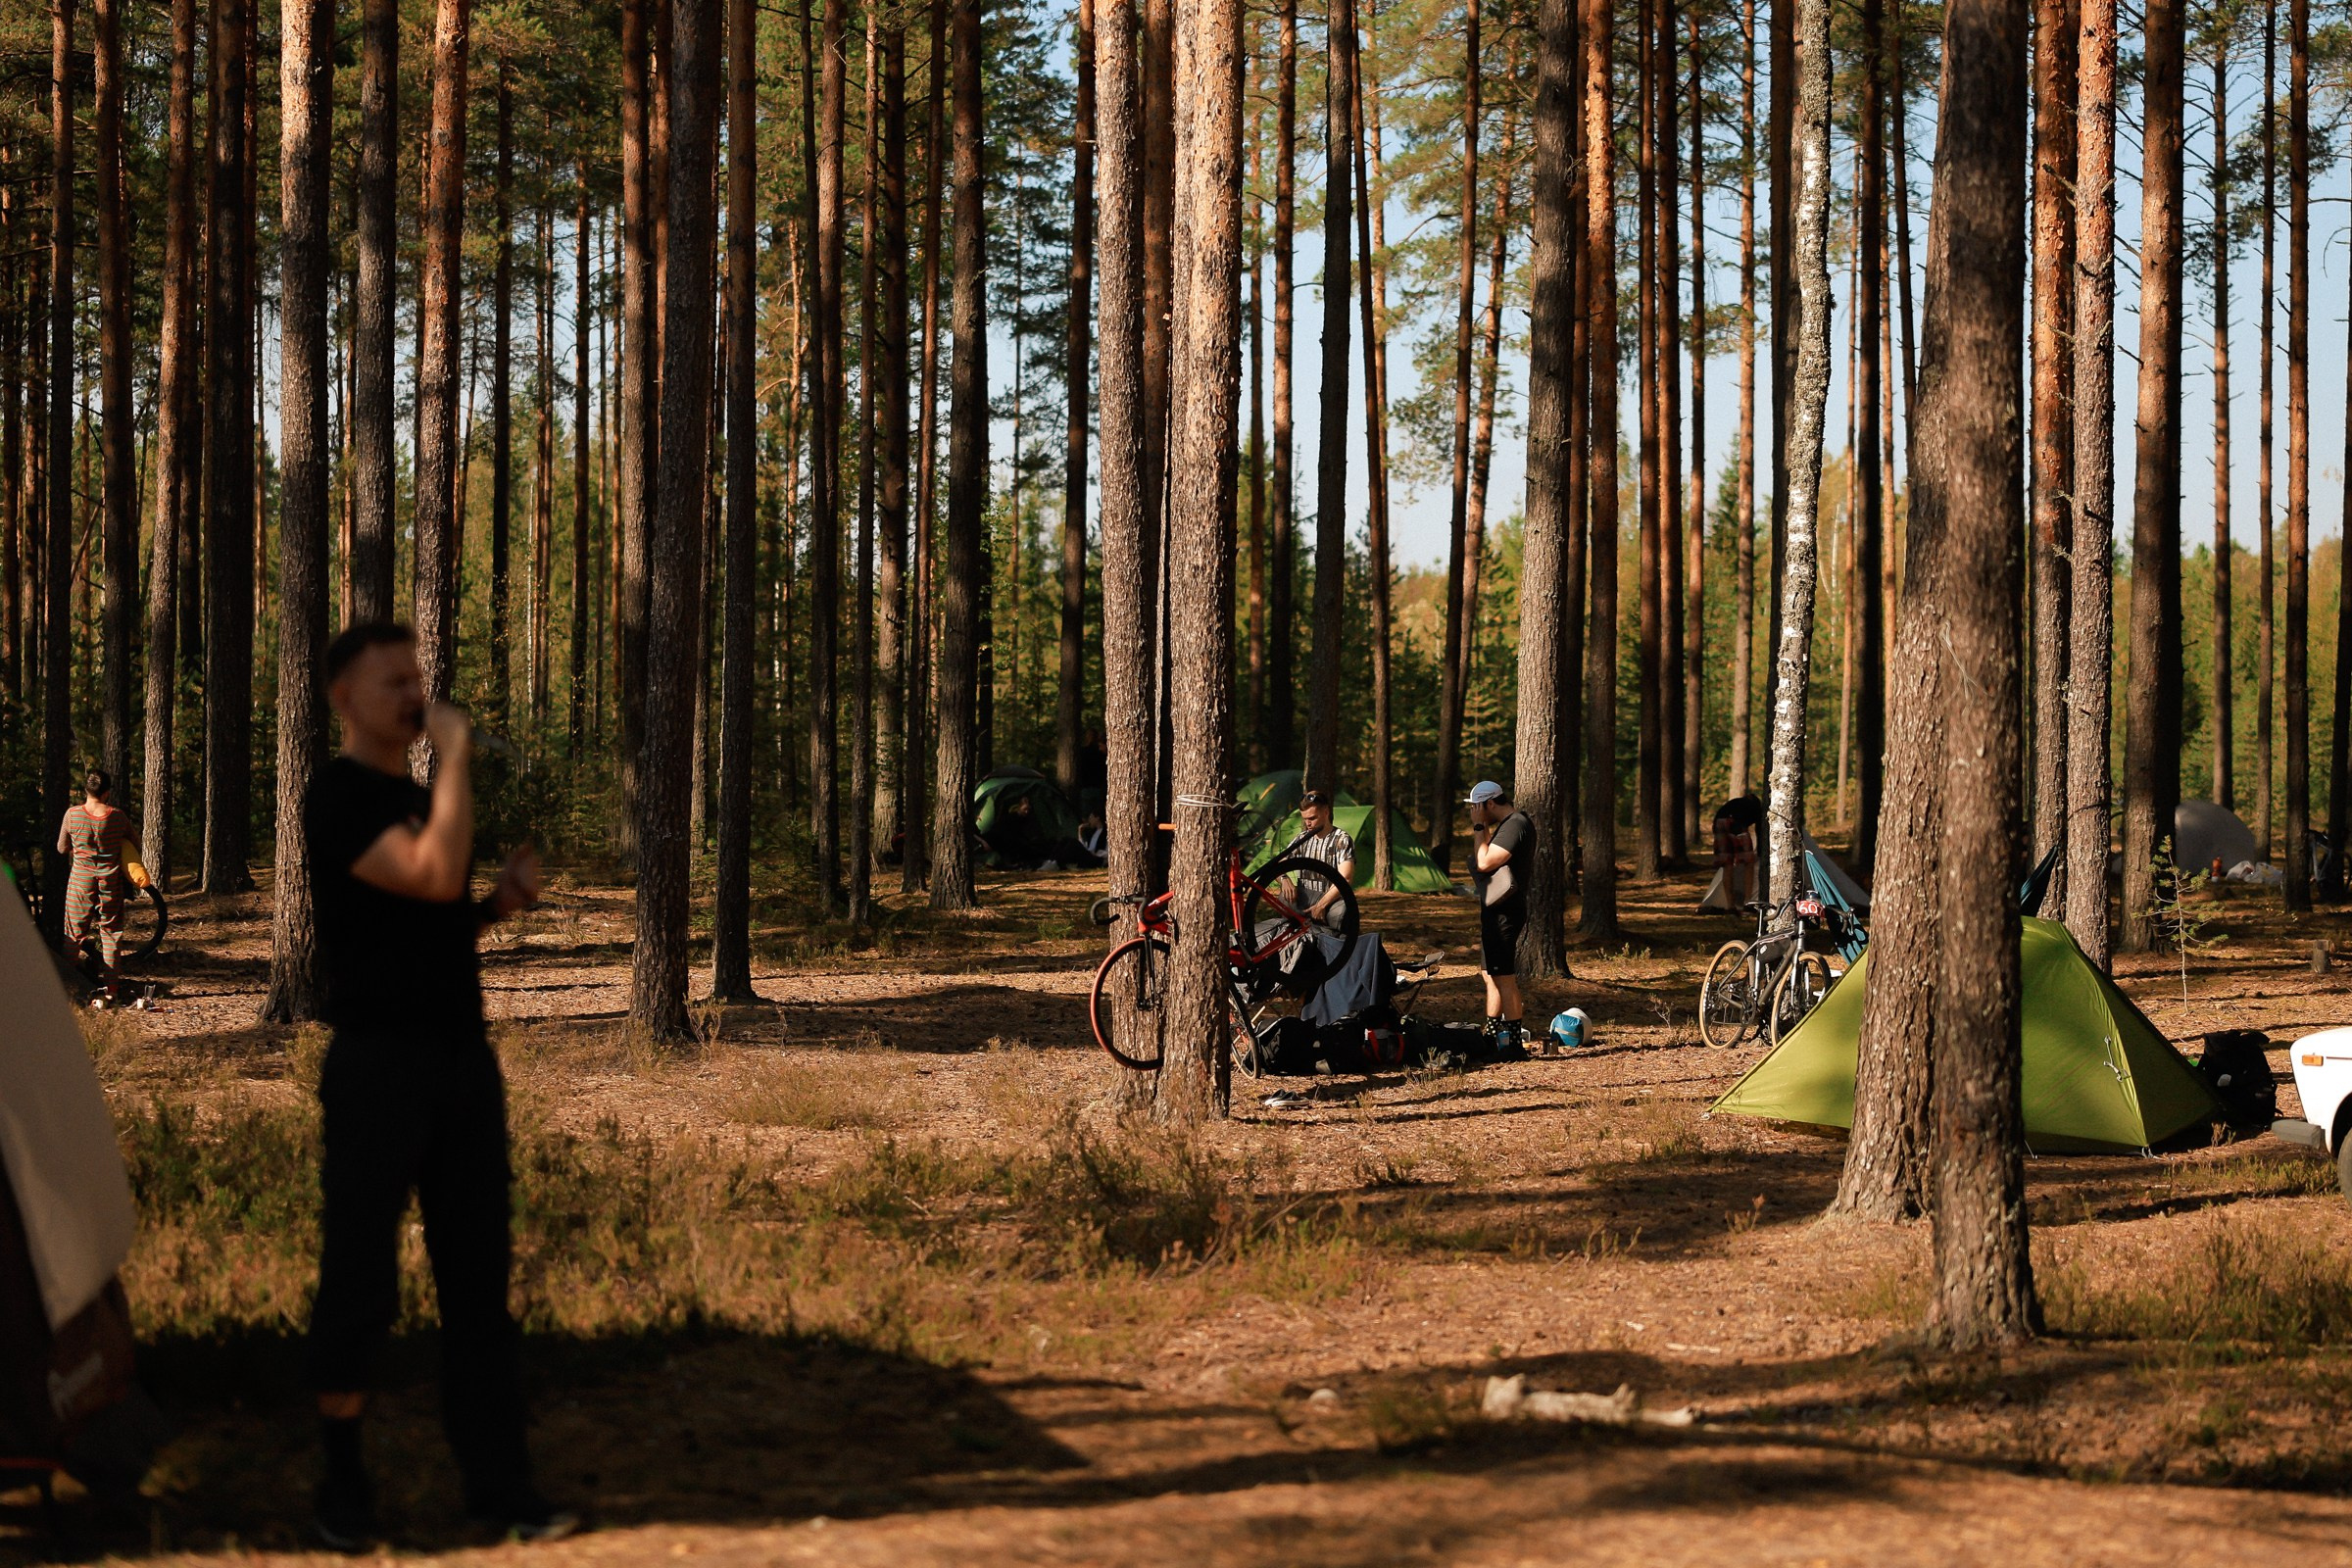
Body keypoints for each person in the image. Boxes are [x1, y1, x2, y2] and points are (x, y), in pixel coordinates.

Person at [302, 621, 573, 1550]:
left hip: (460, 1063)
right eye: (394, 682)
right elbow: (427, 874)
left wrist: (497, 906)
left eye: (418, 678)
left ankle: (500, 1487)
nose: (416, 694)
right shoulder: (337, 796)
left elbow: (436, 916)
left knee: (477, 1278)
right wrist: (455, 758)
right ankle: (342, 1485)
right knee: (360, 1277)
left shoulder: (422, 800)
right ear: (344, 699)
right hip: (376, 1067)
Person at [56, 767, 144, 979]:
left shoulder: (72, 814)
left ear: (86, 790)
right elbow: (135, 843)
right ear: (106, 793)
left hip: (80, 882)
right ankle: (111, 989)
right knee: (111, 934)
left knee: (73, 934)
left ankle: (70, 985)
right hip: (110, 882)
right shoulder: (117, 817)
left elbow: (61, 848)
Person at [1466, 780, 1530, 1054]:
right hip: (1495, 910)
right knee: (1490, 975)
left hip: (1506, 911)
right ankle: (1492, 1037)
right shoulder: (1507, 825)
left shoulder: (1516, 824)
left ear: (1490, 803)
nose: (1473, 812)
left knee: (1504, 977)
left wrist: (1478, 827)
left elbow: (1484, 862)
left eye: (1476, 807)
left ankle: (1514, 1045)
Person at [1282, 789, 1356, 926]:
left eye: (1312, 818)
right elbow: (1279, 863)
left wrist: (1321, 905)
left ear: (1326, 812)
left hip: (1331, 900)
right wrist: (1284, 879)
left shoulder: (1341, 839)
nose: (1308, 823)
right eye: (1305, 819)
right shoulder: (1302, 838)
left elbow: (1345, 878)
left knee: (1340, 913)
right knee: (1284, 898)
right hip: (1305, 898)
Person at [1712, 793, 1768, 909]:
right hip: (1737, 824)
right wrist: (1761, 852)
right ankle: (1748, 901)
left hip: (1719, 823)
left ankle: (1730, 905)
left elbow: (1718, 818)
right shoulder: (1757, 809)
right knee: (1749, 863)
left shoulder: (1733, 803)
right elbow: (1759, 830)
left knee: (1727, 865)